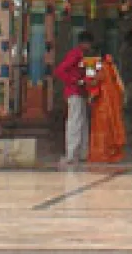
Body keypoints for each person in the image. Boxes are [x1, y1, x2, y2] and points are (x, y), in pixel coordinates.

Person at [54, 30, 94, 168]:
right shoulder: (75, 54)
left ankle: (83, 152)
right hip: (74, 92)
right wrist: (74, 81)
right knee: (75, 122)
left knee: (82, 122)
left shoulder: (84, 56)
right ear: (84, 43)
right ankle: (71, 154)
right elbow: (60, 70)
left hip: (81, 92)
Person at [87, 54, 126, 164]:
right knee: (112, 126)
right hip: (113, 99)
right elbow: (120, 85)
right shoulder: (111, 65)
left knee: (101, 128)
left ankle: (101, 154)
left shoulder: (92, 63)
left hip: (102, 102)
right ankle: (112, 152)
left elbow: (93, 82)